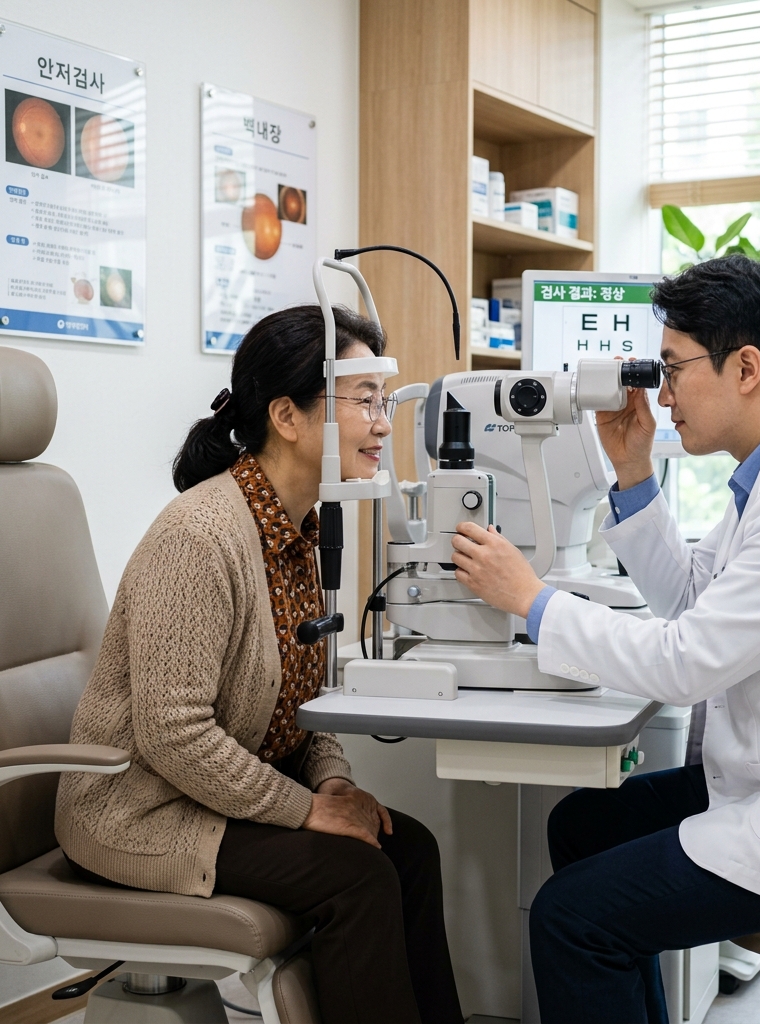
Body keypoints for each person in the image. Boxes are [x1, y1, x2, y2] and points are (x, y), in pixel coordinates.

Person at [449, 255, 760, 1024]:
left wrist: (532, 602)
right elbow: (689, 597)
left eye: (675, 369)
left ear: (746, 368)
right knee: (580, 825)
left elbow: (684, 662)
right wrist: (634, 469)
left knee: (571, 919)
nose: (664, 391)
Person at [55, 305, 463, 1024]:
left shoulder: (300, 530)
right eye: (363, 401)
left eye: (382, 401)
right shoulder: (199, 537)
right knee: (359, 877)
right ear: (288, 415)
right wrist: (308, 810)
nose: (382, 423)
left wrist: (334, 784)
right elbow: (173, 732)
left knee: (409, 847)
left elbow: (307, 702)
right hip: (138, 813)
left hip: (216, 798)